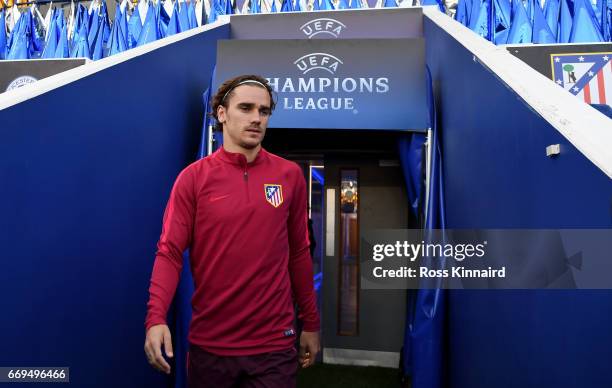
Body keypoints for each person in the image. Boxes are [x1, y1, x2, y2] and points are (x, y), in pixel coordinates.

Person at [143, 74, 321, 388]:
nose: (256, 118)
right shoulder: (193, 179)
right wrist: (156, 318)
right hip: (211, 346)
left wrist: (311, 322)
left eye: (263, 111)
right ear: (222, 114)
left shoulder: (290, 176)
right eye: (246, 108)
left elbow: (299, 254)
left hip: (274, 346)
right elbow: (169, 252)